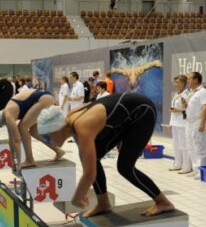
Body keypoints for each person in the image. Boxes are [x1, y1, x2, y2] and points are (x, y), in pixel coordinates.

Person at [37, 93, 175, 217]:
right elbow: (87, 162)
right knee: (94, 158)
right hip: (127, 114)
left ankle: (163, 202)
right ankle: (103, 204)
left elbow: (89, 174)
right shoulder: (70, 122)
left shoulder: (82, 126)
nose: (48, 141)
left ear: (57, 129)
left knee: (125, 167)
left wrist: (76, 199)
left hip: (142, 111)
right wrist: (82, 189)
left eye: (48, 136)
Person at [0, 89, 65, 171]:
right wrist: (13, 161)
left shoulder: (8, 115)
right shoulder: (6, 114)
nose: (1, 126)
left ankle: (30, 160)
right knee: (34, 132)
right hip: (42, 98)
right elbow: (11, 140)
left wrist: (19, 163)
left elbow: (16, 140)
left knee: (22, 127)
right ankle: (58, 151)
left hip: (43, 98)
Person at [183, 71, 206, 179]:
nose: (188, 80)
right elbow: (192, 107)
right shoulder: (192, 92)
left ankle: (203, 170)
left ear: (196, 80)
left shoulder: (203, 92)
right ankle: (196, 168)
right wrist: (186, 104)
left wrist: (202, 123)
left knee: (199, 147)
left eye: (189, 78)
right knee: (190, 146)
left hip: (198, 122)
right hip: (189, 122)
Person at [169, 75, 192, 173]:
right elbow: (173, 109)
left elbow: (189, 109)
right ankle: (178, 163)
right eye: (175, 82)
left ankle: (186, 166)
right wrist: (171, 123)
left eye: (177, 82)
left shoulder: (187, 94)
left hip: (183, 123)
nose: (175, 84)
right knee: (176, 145)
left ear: (183, 83)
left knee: (184, 145)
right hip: (175, 123)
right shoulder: (176, 94)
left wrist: (178, 110)